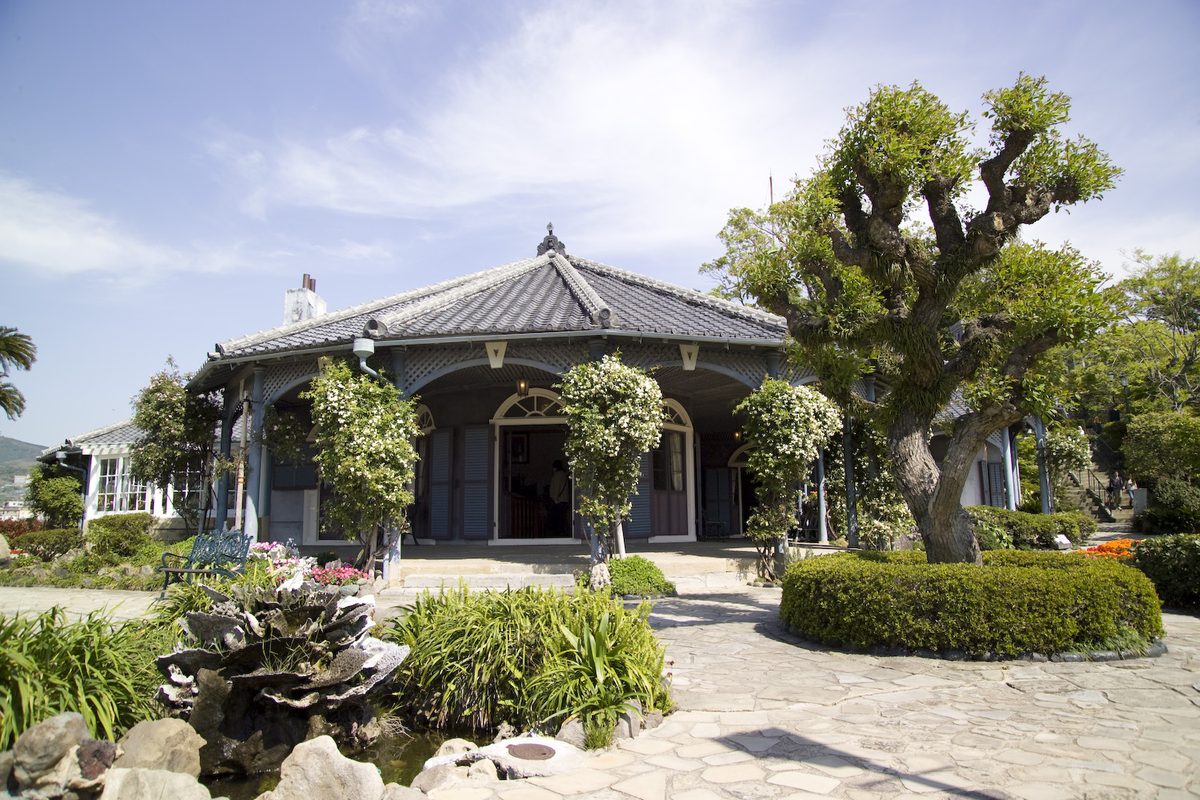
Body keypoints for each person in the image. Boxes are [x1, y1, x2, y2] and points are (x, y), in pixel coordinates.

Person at [549, 460, 570, 535]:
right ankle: (562, 531)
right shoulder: (564, 475)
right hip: (564, 499)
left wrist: (555, 499)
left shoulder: (557, 475)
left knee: (558, 518)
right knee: (562, 517)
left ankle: (558, 532)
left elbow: (557, 488)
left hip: (558, 500)